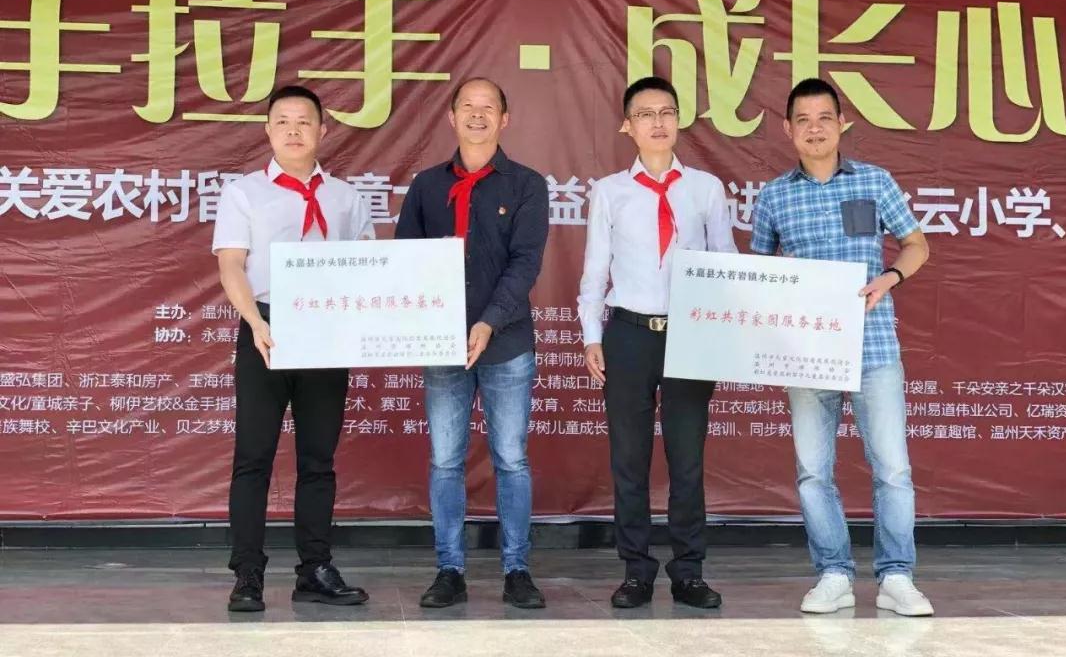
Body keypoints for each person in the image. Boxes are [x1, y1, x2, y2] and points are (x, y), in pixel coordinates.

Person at [750, 77, 934, 616]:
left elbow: (916, 244)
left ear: (842, 124)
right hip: (806, 354)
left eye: (824, 118)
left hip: (873, 348)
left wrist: (890, 278)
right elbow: (759, 273)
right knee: (813, 471)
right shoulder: (774, 196)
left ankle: (897, 576)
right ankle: (833, 573)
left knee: (893, 469)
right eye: (803, 121)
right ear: (787, 129)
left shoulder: (875, 181)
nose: (814, 129)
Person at [577, 76, 737, 609]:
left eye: (667, 112)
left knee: (687, 459)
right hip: (628, 333)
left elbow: (725, 263)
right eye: (645, 114)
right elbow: (595, 269)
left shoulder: (706, 189)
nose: (658, 122)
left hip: (691, 331)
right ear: (628, 126)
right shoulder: (610, 191)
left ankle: (689, 571)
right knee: (630, 459)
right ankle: (636, 571)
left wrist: (725, 331)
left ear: (679, 120)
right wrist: (591, 336)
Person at [212, 85, 374, 612]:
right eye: (282, 121)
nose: (293, 130)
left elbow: (368, 268)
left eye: (304, 121)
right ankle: (247, 574)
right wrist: (255, 322)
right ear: (267, 130)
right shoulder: (243, 193)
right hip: (267, 327)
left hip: (327, 332)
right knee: (253, 458)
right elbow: (231, 265)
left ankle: (315, 569)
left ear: (323, 130)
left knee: (318, 460)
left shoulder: (347, 198)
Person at [395, 77, 549, 609]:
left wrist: (487, 322)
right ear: (451, 116)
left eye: (488, 107)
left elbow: (525, 263)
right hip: (442, 347)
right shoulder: (426, 186)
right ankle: (449, 570)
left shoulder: (527, 185)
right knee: (445, 461)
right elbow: (406, 261)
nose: (477, 115)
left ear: (505, 119)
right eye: (468, 106)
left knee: (511, 459)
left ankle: (517, 570)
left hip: (506, 344)